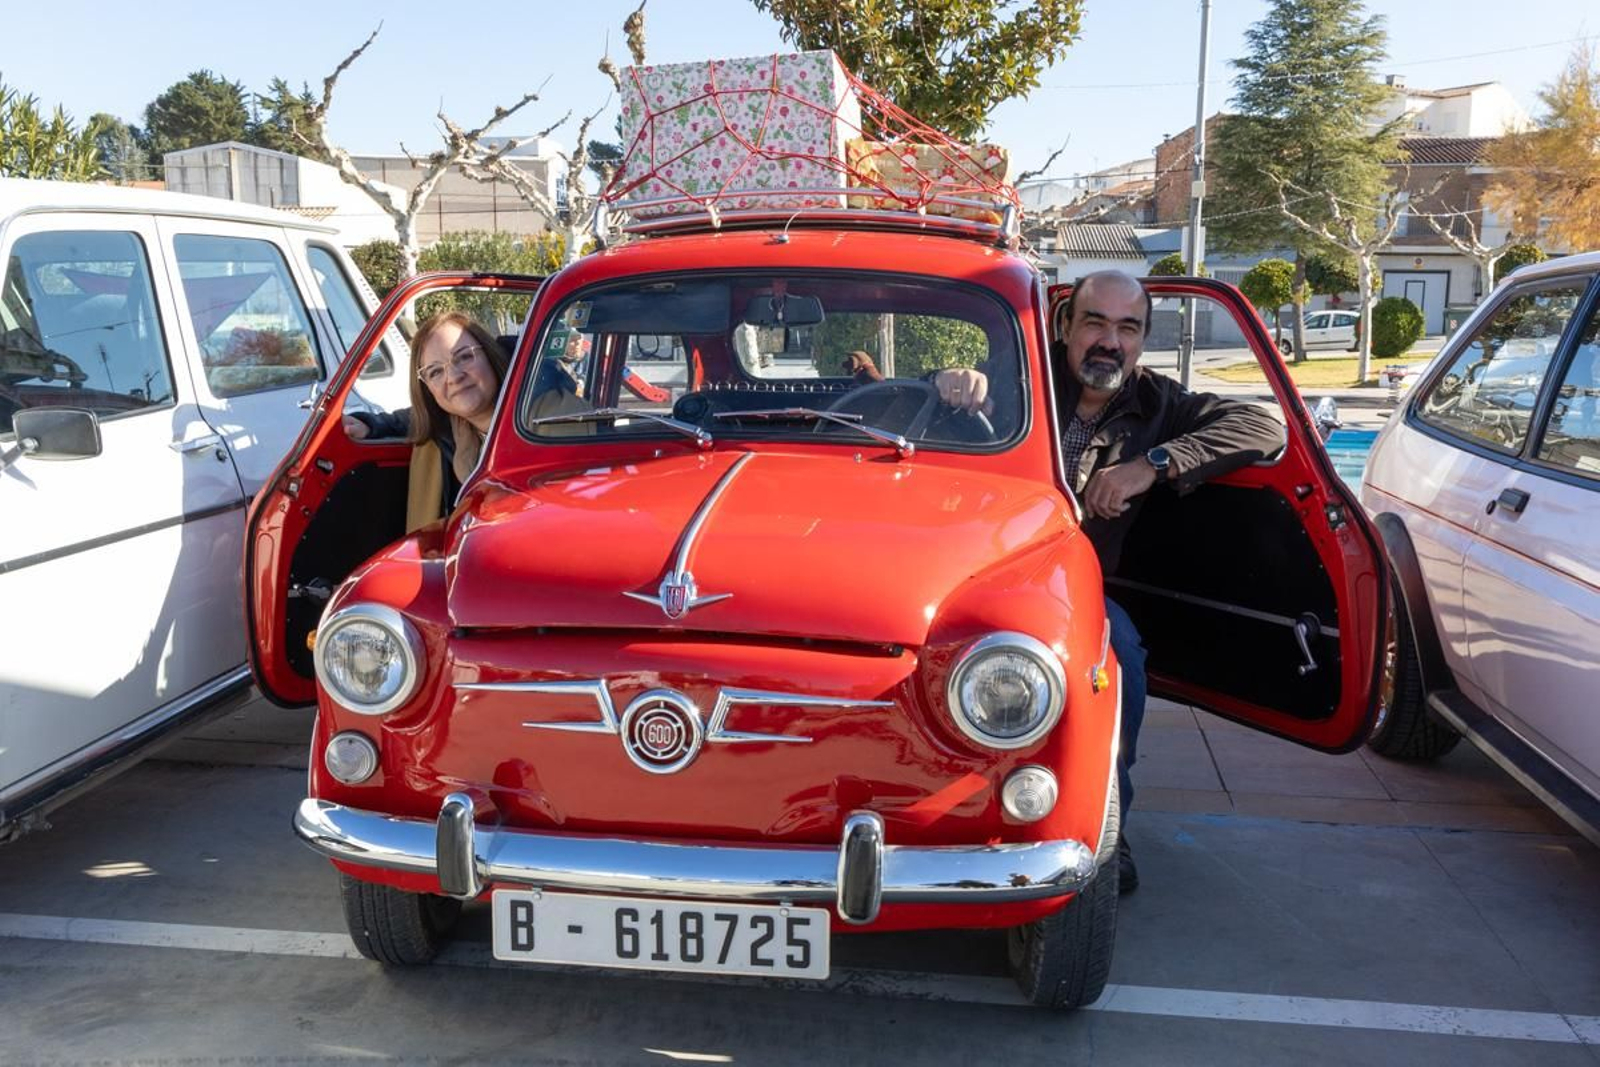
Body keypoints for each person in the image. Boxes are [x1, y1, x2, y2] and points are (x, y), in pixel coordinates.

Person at [935, 270, 1284, 893]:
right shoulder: (1018, 380)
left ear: (1143, 339)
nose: (1110, 343)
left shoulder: (1159, 405)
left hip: (1079, 594)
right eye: (1096, 323)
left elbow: (1263, 427)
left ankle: (1104, 828)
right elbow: (915, 421)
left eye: (1128, 328)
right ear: (1065, 324)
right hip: (973, 580)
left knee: (1120, 657)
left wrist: (1151, 464)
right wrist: (954, 389)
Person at [345, 311, 586, 531]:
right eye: (435, 372)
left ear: (490, 356)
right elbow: (412, 418)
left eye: (464, 357)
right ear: (428, 390)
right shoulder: (450, 430)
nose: (454, 377)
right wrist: (371, 425)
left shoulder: (562, 420)